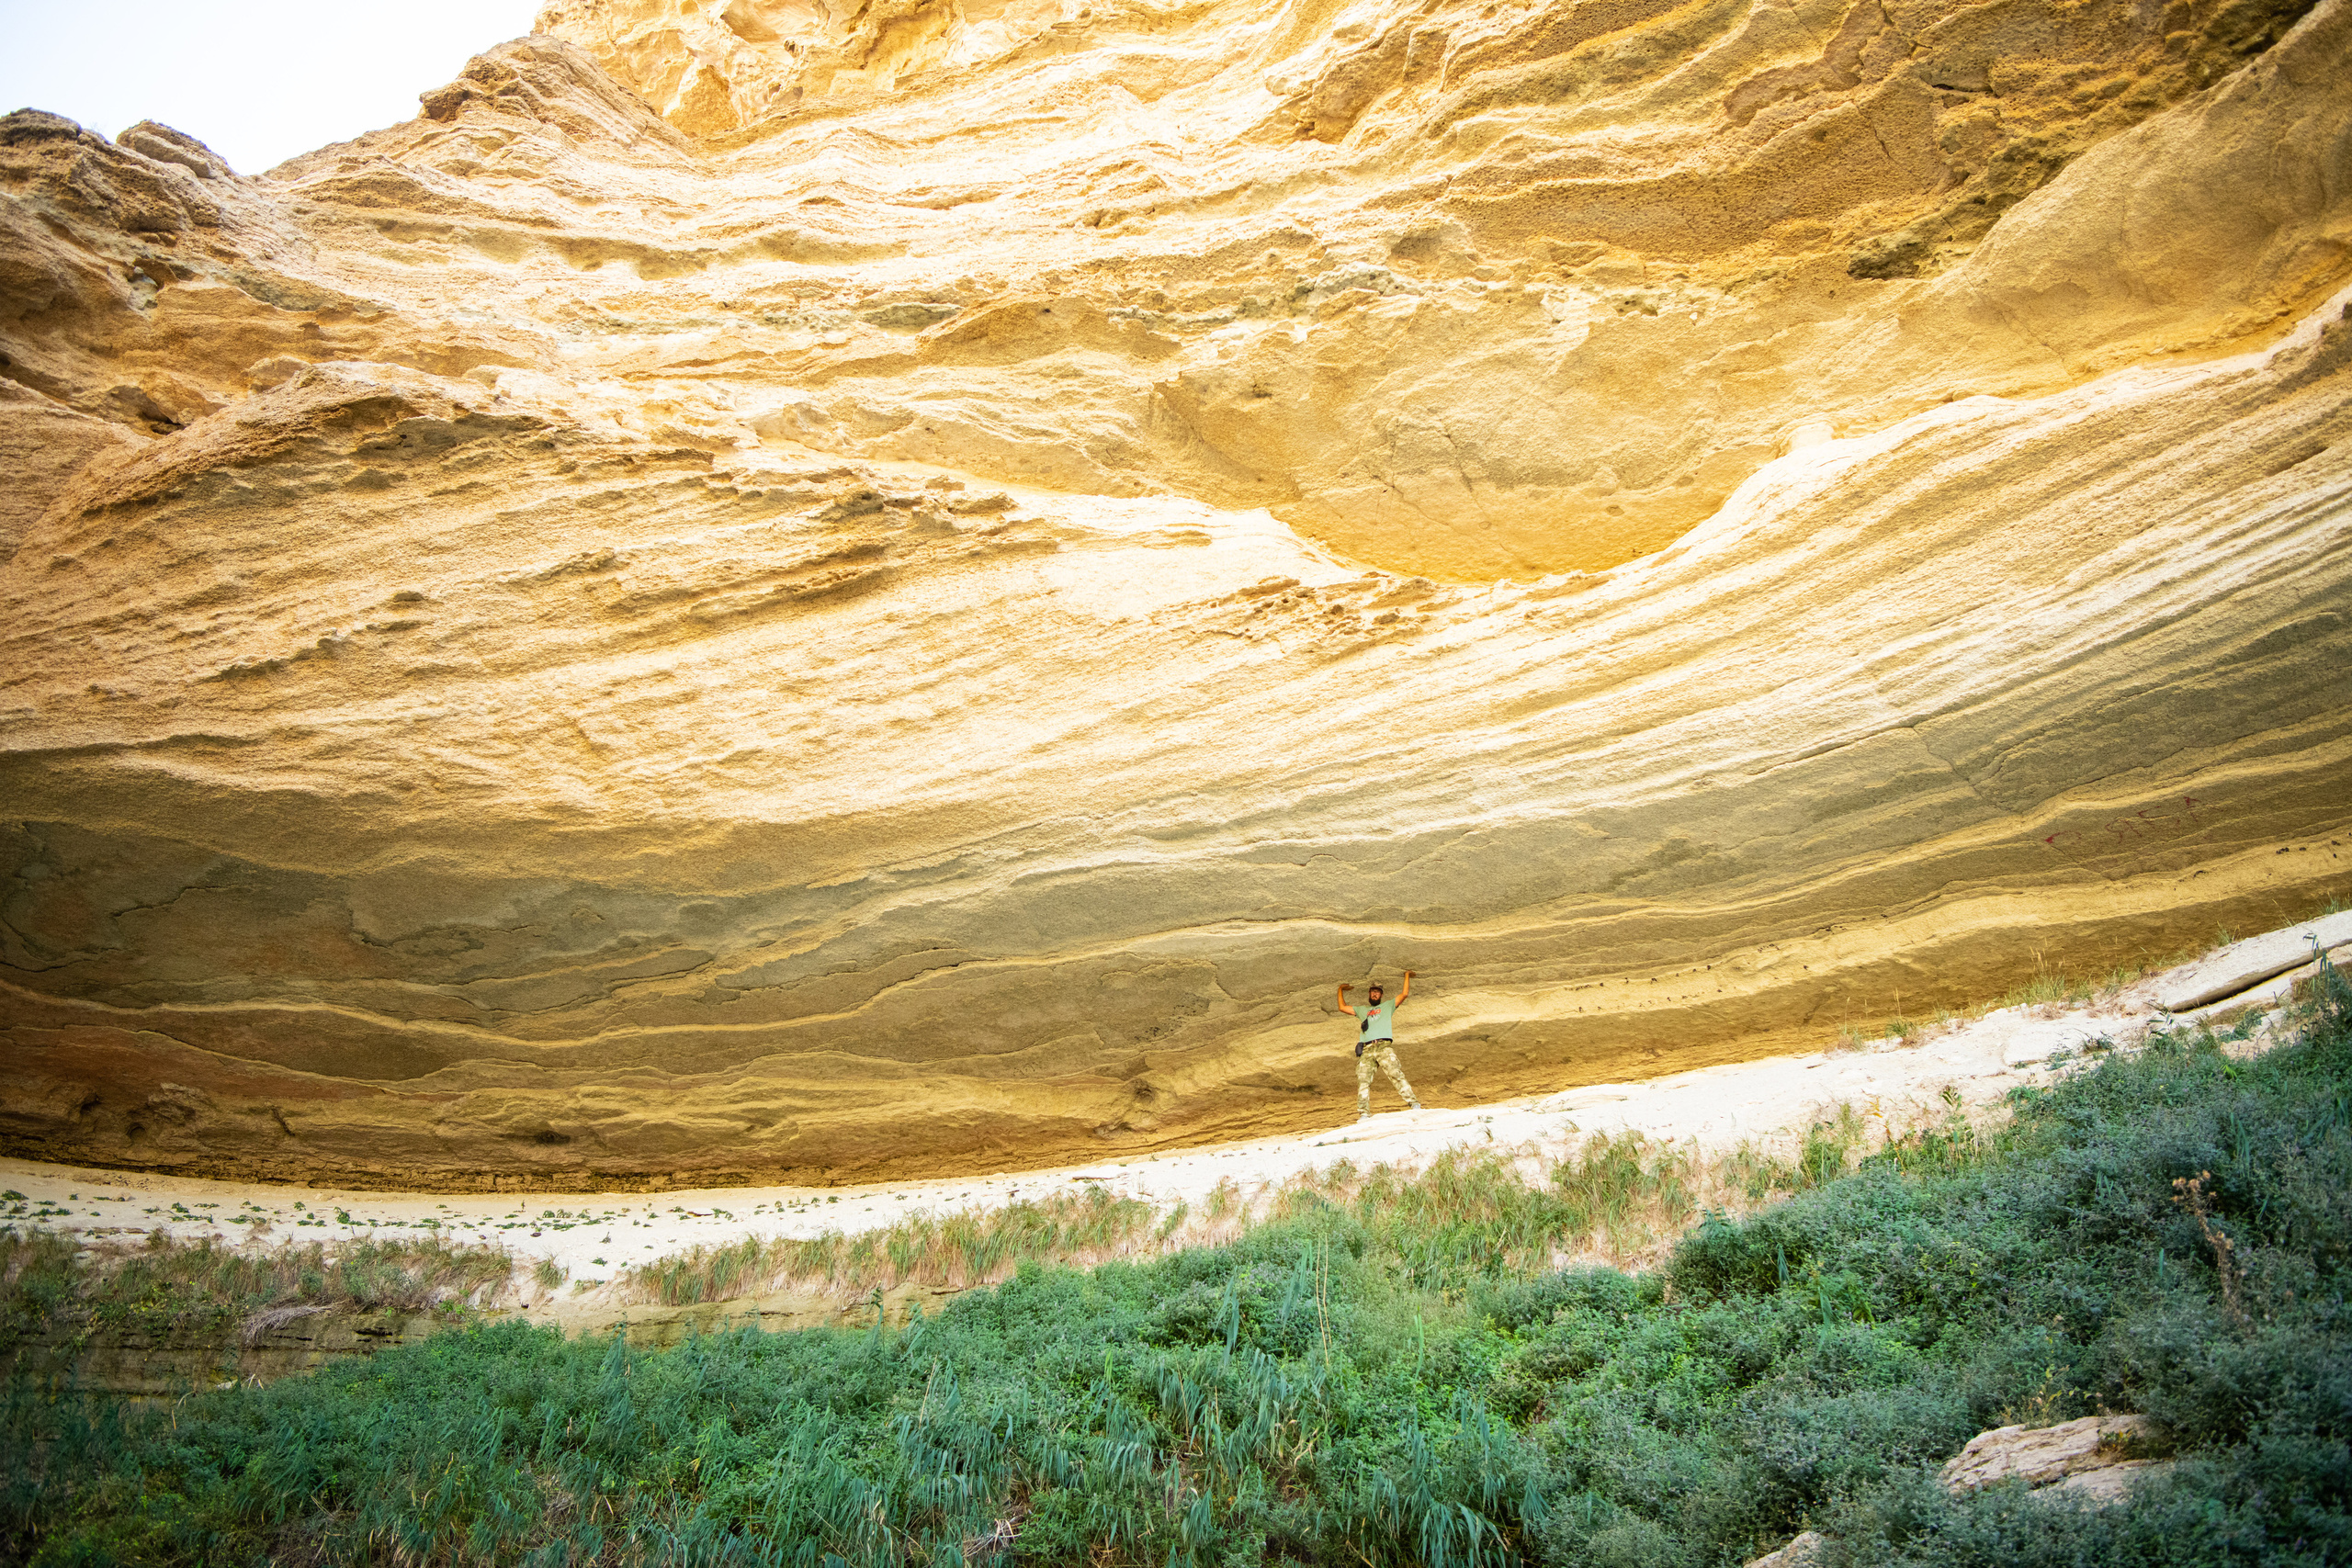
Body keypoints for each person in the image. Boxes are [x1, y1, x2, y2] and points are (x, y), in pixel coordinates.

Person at [1337, 970, 1422, 1122]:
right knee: (1363, 1079)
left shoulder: (1388, 1006)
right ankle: (1364, 1113)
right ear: (1369, 995)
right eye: (1372, 992)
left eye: (1377, 992)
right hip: (1367, 1049)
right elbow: (1342, 1008)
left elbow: (1404, 994)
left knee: (1395, 1073)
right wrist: (1340, 990)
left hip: (1383, 1046)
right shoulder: (1362, 1010)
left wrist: (1407, 976)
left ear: (1381, 995)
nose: (1375, 994)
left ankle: (1414, 1104)